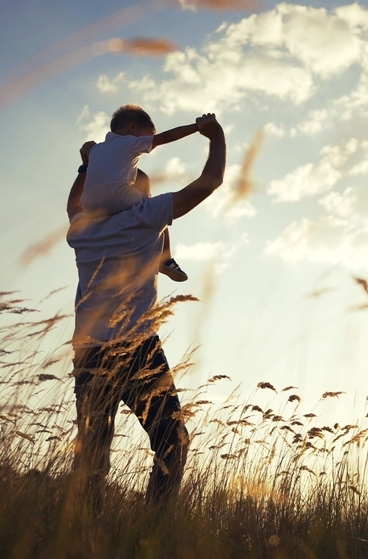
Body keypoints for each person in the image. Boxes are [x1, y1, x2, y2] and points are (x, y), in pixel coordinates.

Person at [65, 112, 226, 506]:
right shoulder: (144, 217)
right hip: (137, 349)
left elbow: (74, 200)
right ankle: (150, 534)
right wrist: (215, 136)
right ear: (137, 193)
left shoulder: (79, 228)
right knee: (173, 444)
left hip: (88, 354)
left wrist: (88, 164)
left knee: (92, 458)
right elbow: (210, 182)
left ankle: (81, 540)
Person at [77, 104, 197, 282]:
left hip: (88, 205)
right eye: (149, 137)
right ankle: (165, 259)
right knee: (155, 206)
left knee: (141, 182)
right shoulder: (129, 142)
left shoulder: (95, 150)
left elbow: (91, 164)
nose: (150, 144)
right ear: (132, 127)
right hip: (116, 196)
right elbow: (167, 137)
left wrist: (85, 161)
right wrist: (197, 127)